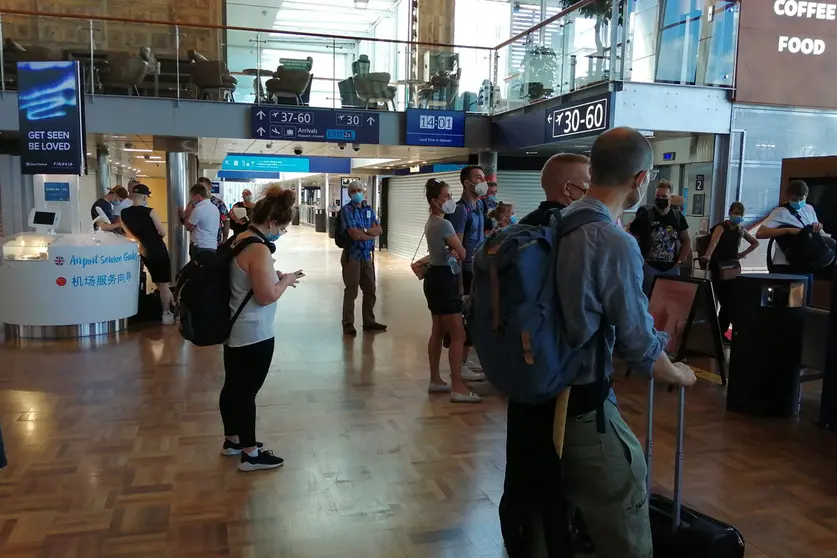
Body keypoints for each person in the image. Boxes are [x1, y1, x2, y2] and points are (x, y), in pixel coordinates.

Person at [556, 127, 697, 558]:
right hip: (583, 407)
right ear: (640, 179)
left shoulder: (556, 221)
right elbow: (639, 343)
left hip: (540, 397)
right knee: (625, 513)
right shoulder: (612, 241)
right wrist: (679, 373)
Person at [509, 152, 595, 555]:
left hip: (519, 365)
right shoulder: (570, 231)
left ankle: (520, 535)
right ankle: (554, 544)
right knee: (550, 464)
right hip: (555, 366)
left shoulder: (522, 227)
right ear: (568, 189)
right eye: (587, 184)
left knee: (521, 455)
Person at [222, 186, 303, 472]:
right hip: (254, 331)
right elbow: (266, 295)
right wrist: (286, 280)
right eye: (282, 228)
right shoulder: (258, 248)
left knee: (233, 386)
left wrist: (272, 277)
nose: (281, 232)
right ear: (272, 222)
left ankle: (232, 439)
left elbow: (249, 282)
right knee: (246, 393)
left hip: (234, 328)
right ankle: (250, 453)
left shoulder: (240, 238)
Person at [422, 179, 482, 404]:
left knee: (438, 330)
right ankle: (458, 386)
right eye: (446, 196)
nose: (449, 200)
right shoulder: (444, 225)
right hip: (445, 280)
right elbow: (464, 252)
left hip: (433, 278)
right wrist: (458, 250)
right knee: (459, 334)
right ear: (435, 201)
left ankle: (436, 379)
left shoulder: (431, 222)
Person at [446, 165, 488, 380]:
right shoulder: (461, 210)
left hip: (479, 268)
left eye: (483, 176)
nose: (483, 180)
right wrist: (460, 282)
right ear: (467, 182)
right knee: (464, 317)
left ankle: (466, 360)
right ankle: (460, 364)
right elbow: (457, 248)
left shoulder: (479, 206)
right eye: (478, 177)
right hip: (466, 271)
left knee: (474, 317)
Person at [119, 183, 176, 325]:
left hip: (143, 250)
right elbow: (162, 232)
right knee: (163, 283)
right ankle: (166, 313)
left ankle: (175, 306)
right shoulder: (150, 211)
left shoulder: (124, 213)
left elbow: (128, 233)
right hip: (157, 248)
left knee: (159, 282)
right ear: (145, 197)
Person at [701, 202, 759, 339]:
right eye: (736, 212)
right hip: (719, 267)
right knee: (726, 301)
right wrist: (708, 255)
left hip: (732, 268)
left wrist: (742, 254)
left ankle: (721, 331)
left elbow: (755, 242)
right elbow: (713, 242)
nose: (738, 216)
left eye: (740, 214)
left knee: (730, 302)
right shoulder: (722, 227)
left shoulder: (740, 230)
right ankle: (720, 331)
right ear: (730, 212)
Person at [757, 179, 834, 275]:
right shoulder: (780, 211)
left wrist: (817, 228)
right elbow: (760, 233)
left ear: (806, 196)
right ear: (787, 197)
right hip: (785, 263)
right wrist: (788, 230)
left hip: (806, 263)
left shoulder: (809, 209)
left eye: (801, 199)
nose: (798, 202)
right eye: (794, 200)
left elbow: (820, 233)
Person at [340, 180, 387, 336]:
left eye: (360, 190)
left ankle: (369, 321)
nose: (357, 193)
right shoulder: (347, 210)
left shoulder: (368, 209)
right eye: (354, 191)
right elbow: (354, 234)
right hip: (353, 256)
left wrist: (365, 231)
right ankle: (348, 323)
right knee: (351, 291)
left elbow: (379, 229)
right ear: (349, 193)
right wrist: (369, 233)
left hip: (368, 256)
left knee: (370, 290)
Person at [629, 179, 691, 294]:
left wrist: (680, 261)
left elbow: (686, 240)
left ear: (671, 198)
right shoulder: (645, 216)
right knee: (648, 299)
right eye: (658, 196)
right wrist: (640, 261)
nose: (660, 199)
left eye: (664, 196)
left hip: (672, 267)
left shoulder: (678, 217)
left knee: (670, 300)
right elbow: (631, 240)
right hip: (649, 267)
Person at [520, 153, 590, 226]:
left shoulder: (523, 224)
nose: (591, 192)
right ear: (567, 188)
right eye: (588, 186)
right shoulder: (577, 225)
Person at [181, 183, 221, 260]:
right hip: (212, 246)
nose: (192, 199)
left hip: (200, 247)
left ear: (198, 196)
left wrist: (189, 210)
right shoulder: (214, 208)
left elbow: (188, 227)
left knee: (197, 271)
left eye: (192, 197)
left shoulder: (198, 209)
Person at [198, 177, 231, 244]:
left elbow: (226, 221)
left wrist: (225, 239)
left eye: (203, 189)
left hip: (214, 242)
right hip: (197, 242)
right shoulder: (195, 203)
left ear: (209, 189)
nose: (200, 191)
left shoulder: (218, 204)